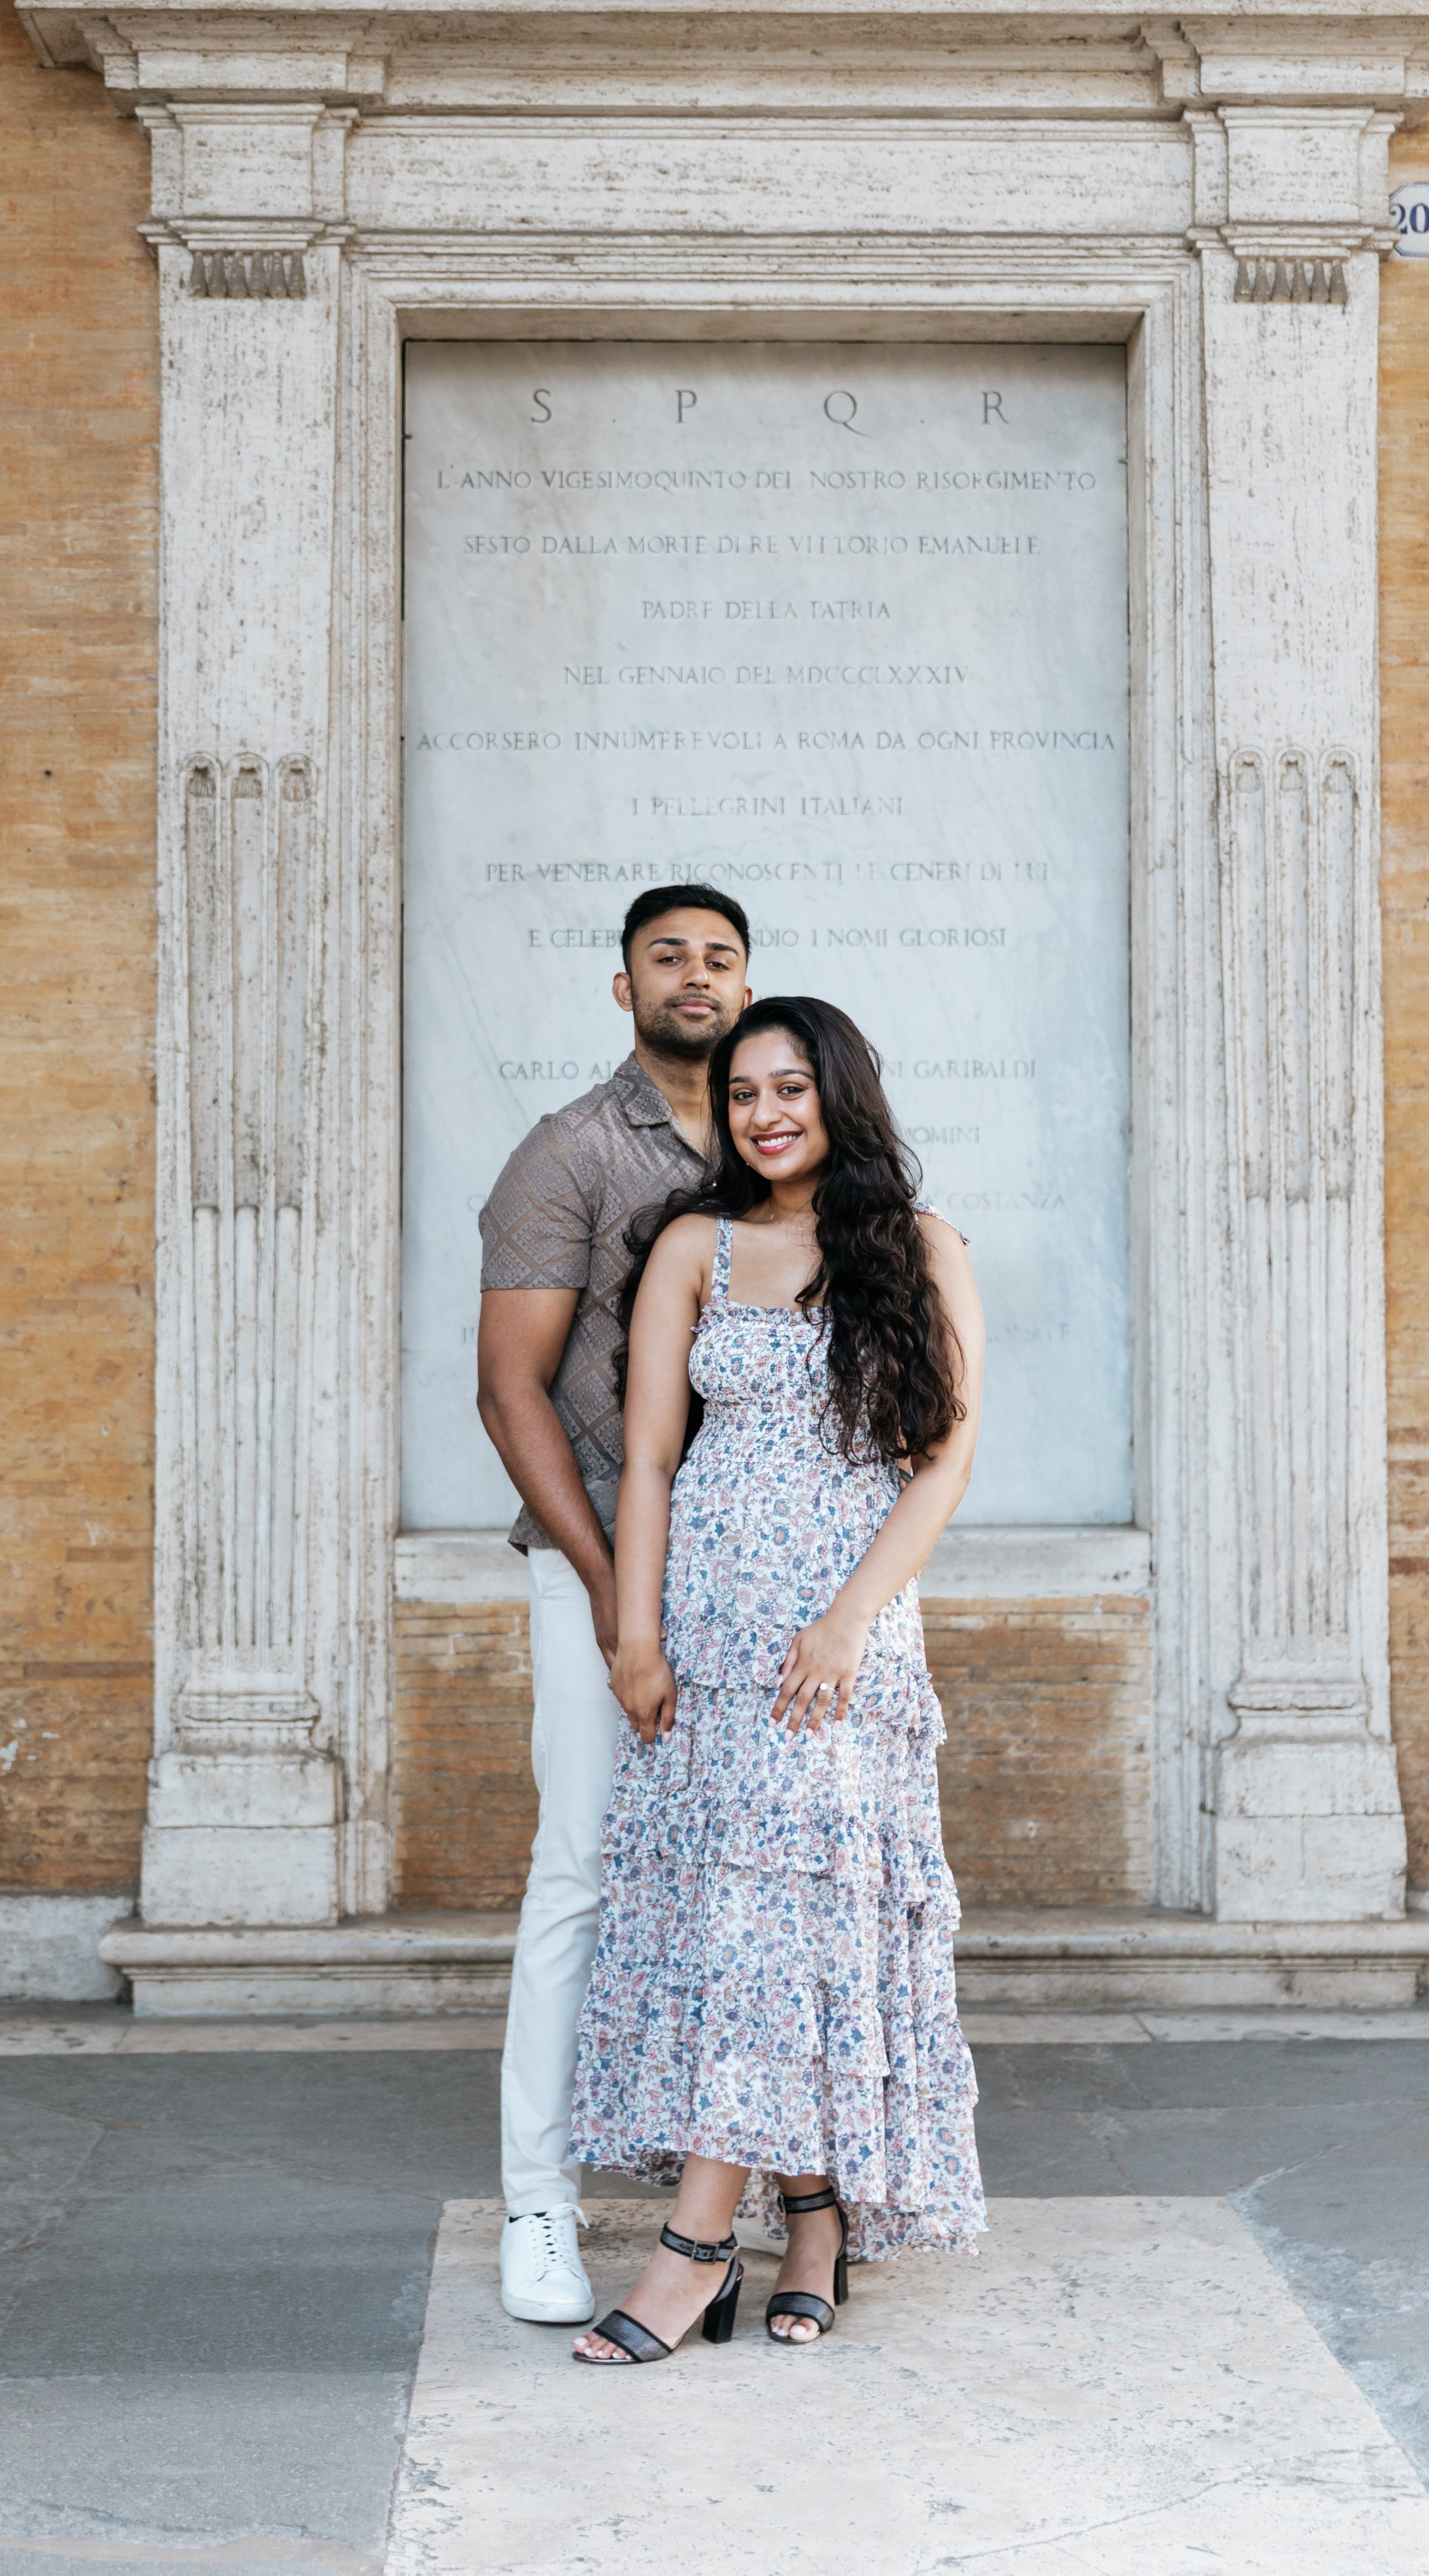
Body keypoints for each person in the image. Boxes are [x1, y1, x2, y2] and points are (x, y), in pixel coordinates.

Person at [568, 995, 988, 2362]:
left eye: (791, 1088)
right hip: (708, 1629)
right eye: (744, 1093)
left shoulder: (919, 1248)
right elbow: (645, 1459)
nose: (765, 1114)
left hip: (839, 1642)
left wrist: (850, 1622)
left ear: (838, 1096)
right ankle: (811, 2217)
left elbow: (945, 1460)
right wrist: (636, 1634)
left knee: (793, 1921)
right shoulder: (695, 1244)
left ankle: (695, 2252)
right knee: (730, 1926)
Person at [476, 884, 754, 2323]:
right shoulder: (568, 1151)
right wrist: (603, 1586)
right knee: (581, 1872)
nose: (693, 978)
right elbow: (509, 1383)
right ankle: (536, 2207)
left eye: (717, 958)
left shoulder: (776, 1138)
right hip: (592, 1552)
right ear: (621, 985)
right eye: (668, 957)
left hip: (743, 1571)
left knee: (731, 1885)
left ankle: (711, 2209)